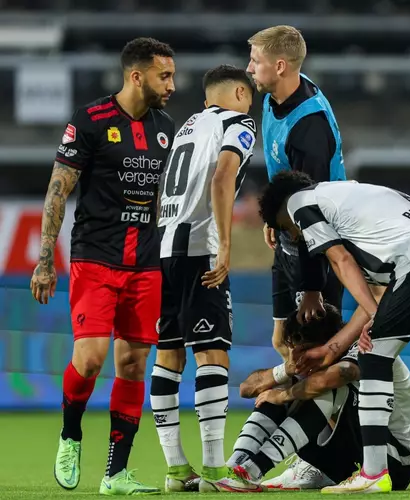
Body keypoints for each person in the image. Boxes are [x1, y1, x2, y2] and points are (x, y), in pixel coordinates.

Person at [259, 171, 410, 493]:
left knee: (374, 357)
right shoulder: (351, 203)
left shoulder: (297, 204)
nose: (296, 237)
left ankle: (374, 474)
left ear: (281, 215)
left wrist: (378, 317)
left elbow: (340, 259)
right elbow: (375, 295)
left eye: (288, 231)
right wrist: (335, 347)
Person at [30, 37, 176, 495]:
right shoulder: (90, 121)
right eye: (164, 75)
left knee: (133, 365)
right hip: (95, 257)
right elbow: (58, 191)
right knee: (91, 360)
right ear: (137, 76)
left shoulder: (166, 128)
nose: (171, 84)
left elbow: (159, 199)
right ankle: (71, 434)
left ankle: (115, 474)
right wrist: (43, 261)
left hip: (146, 264)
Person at [148, 64, 257, 492]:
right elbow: (223, 176)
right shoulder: (238, 122)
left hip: (165, 246)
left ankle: (177, 470)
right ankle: (214, 471)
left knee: (169, 354)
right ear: (236, 93)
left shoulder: (187, 127)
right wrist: (225, 244)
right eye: (248, 94)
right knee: (212, 352)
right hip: (200, 248)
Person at [246, 23, 348, 482]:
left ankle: (315, 461)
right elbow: (282, 179)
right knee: (282, 345)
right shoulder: (271, 99)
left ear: (280, 66)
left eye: (255, 60)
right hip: (289, 236)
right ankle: (287, 451)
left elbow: (315, 214)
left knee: (318, 356)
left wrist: (311, 289)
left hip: (324, 249)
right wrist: (273, 220)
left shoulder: (311, 126)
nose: (250, 67)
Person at [217, 304, 410, 493]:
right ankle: (234, 468)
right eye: (293, 347)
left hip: (395, 459)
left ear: (328, 342)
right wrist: (286, 370)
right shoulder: (304, 360)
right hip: (353, 450)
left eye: (305, 349)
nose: (297, 355)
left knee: (322, 387)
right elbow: (246, 389)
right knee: (286, 385)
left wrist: (284, 396)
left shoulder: (361, 342)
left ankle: (253, 471)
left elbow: (345, 372)